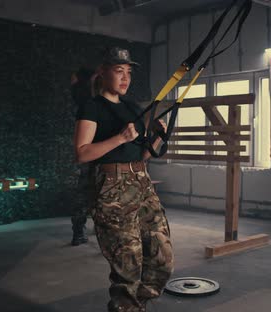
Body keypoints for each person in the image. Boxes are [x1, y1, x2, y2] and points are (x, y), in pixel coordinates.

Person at [73, 47, 174, 312]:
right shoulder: (92, 106)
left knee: (162, 257)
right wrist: (119, 138)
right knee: (127, 265)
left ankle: (133, 306)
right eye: (119, 71)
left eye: (128, 72)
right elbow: (82, 153)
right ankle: (126, 307)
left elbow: (141, 154)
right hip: (112, 187)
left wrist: (155, 137)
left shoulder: (132, 107)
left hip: (140, 181)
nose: (125, 78)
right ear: (103, 72)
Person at [69, 67, 99, 246]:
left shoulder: (82, 97)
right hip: (94, 151)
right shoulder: (90, 99)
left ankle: (79, 232)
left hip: (93, 151)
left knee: (84, 193)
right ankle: (81, 231)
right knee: (94, 192)